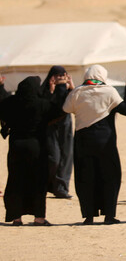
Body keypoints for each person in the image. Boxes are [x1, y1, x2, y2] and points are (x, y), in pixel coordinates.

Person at [62, 65, 126, 225]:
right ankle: (109, 216)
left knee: (86, 177)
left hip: (83, 142)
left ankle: (89, 216)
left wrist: (72, 90)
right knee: (110, 176)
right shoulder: (109, 91)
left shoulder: (77, 92)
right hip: (105, 142)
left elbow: (66, 108)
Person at [0, 75, 69, 225]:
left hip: (16, 146)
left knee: (16, 180)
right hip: (37, 146)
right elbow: (60, 110)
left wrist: (0, 86)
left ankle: (16, 217)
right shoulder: (42, 105)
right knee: (38, 181)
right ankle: (39, 218)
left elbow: (1, 104)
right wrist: (61, 88)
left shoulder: (11, 103)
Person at [41, 66, 74, 199]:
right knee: (53, 158)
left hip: (65, 125)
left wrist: (71, 87)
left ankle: (61, 188)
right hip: (50, 126)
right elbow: (43, 105)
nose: (60, 78)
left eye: (63, 75)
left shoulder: (68, 89)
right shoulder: (44, 89)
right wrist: (51, 91)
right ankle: (48, 185)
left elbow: (74, 102)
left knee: (66, 156)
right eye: (57, 75)